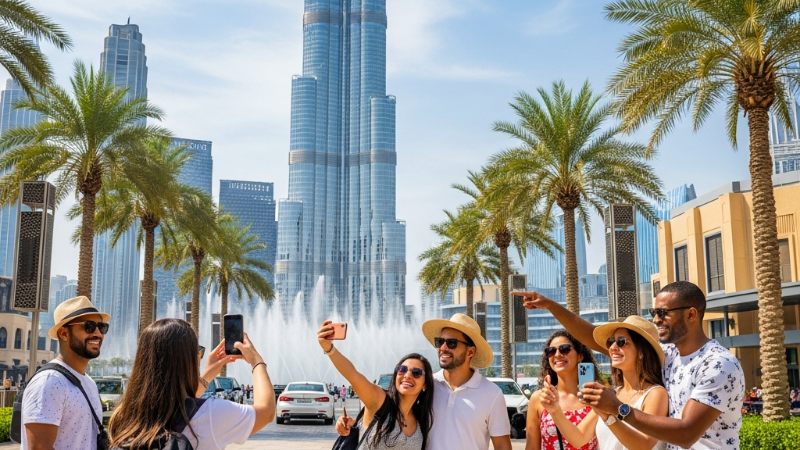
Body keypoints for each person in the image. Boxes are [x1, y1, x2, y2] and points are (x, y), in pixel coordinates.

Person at [515, 281, 745, 450]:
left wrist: (617, 409)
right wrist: (552, 306)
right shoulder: (668, 354)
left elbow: (686, 434)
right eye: (654, 313)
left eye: (663, 313)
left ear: (692, 314)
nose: (656, 319)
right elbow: (591, 337)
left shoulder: (717, 364)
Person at [338, 313, 512, 450]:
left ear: (470, 351)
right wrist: (356, 424)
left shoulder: (492, 394)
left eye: (451, 343)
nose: (443, 347)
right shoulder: (425, 384)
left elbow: (503, 446)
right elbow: (392, 411)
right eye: (440, 341)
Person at [108, 319, 275, 449]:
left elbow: (179, 404)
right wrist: (256, 361)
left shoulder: (122, 416)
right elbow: (266, 412)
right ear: (191, 359)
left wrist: (208, 373)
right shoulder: (212, 414)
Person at [536, 317, 669, 450]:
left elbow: (643, 445)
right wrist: (554, 410)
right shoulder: (612, 393)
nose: (612, 347)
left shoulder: (655, 394)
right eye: (611, 341)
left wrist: (608, 416)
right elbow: (579, 438)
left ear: (641, 352)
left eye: (621, 342)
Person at [317, 320, 434, 449]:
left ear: (425, 385)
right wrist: (329, 349)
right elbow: (353, 375)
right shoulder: (379, 400)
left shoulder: (421, 419)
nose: (407, 375)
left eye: (416, 372)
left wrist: (356, 422)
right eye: (402, 369)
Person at [22, 296, 110, 450]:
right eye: (88, 326)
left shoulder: (88, 382)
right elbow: (39, 448)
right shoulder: (50, 382)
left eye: (101, 327)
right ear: (63, 334)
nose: (98, 333)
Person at [526, 330, 602, 450]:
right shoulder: (539, 399)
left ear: (580, 356)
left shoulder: (595, 397)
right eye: (551, 351)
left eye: (565, 349)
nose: (557, 354)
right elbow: (531, 447)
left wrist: (555, 409)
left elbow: (580, 440)